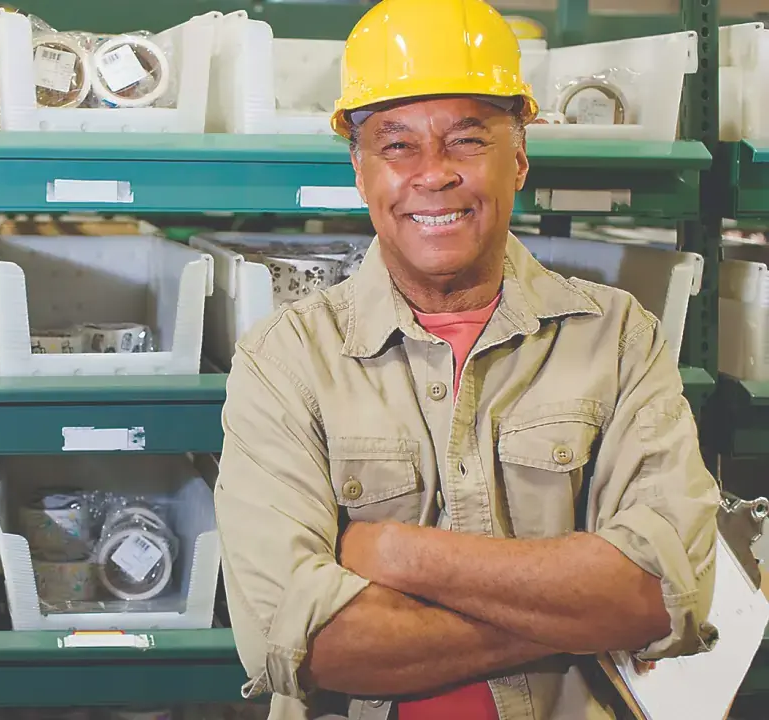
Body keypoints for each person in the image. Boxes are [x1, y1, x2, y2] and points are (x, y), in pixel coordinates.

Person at [212, 0, 721, 718]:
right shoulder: (285, 360)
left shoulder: (617, 338)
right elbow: (306, 641)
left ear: (517, 157)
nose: (434, 174)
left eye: (466, 140)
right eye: (397, 146)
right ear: (361, 172)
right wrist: (572, 617)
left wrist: (395, 554)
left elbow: (656, 593)